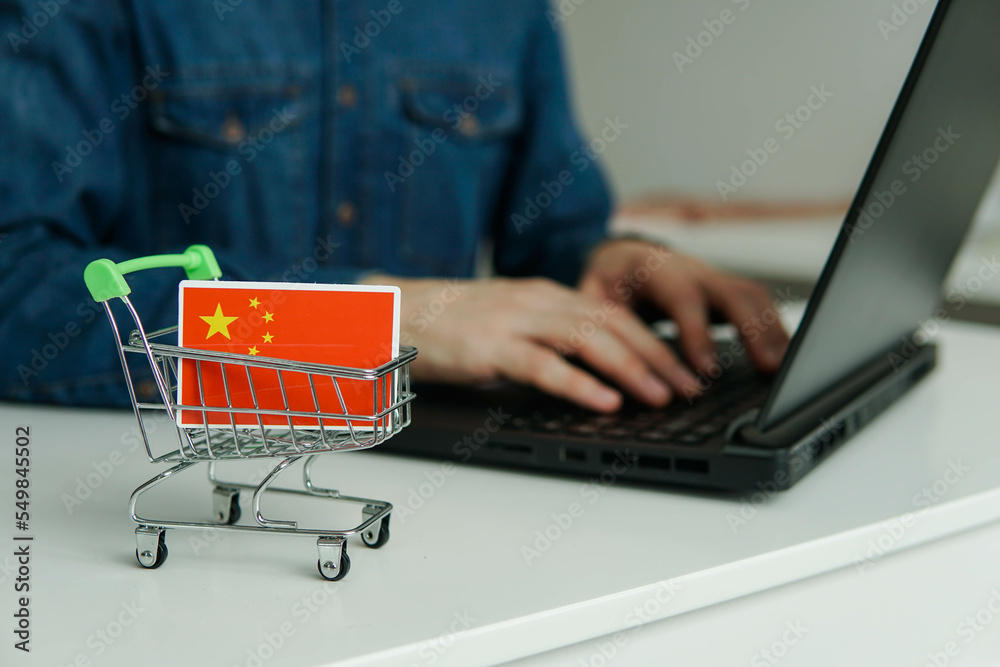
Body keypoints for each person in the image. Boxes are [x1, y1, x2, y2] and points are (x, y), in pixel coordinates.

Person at [0, 0, 788, 411]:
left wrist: (610, 261)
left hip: (457, 486)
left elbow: (553, 233)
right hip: (189, 498)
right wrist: (368, 322)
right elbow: (17, 289)